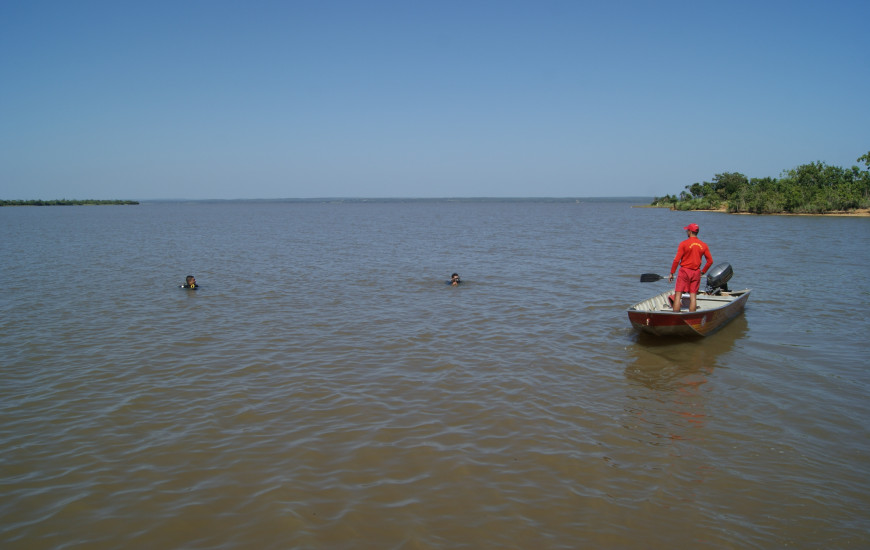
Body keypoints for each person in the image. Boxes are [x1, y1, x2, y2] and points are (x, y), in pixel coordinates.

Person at [667, 223, 712, 312]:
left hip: (684, 272)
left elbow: (676, 260)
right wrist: (702, 272)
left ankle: (676, 315)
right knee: (693, 296)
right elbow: (710, 261)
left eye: (687, 230)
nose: (686, 232)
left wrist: (672, 273)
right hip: (696, 272)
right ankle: (692, 316)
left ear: (690, 232)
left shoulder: (683, 244)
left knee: (678, 295)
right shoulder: (703, 245)